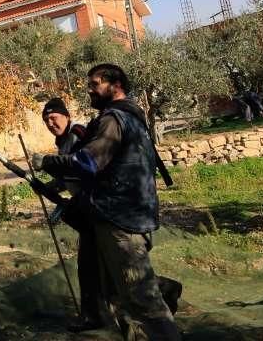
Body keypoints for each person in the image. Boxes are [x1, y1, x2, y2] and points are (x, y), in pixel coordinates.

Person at [31, 64, 181, 341]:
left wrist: (48, 163)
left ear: (116, 85)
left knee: (142, 300)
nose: (89, 89)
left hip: (119, 219)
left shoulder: (112, 121)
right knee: (116, 290)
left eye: (95, 83)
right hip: (115, 214)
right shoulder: (130, 116)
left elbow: (87, 162)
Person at [40, 97, 107, 333]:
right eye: (46, 120)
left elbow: (83, 167)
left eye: (54, 117)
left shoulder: (78, 133)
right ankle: (94, 316)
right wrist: (50, 187)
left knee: (101, 268)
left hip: (100, 210)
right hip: (87, 211)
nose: (50, 122)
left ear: (66, 116)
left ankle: (161, 290)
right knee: (92, 267)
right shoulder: (62, 141)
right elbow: (68, 177)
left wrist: (51, 164)